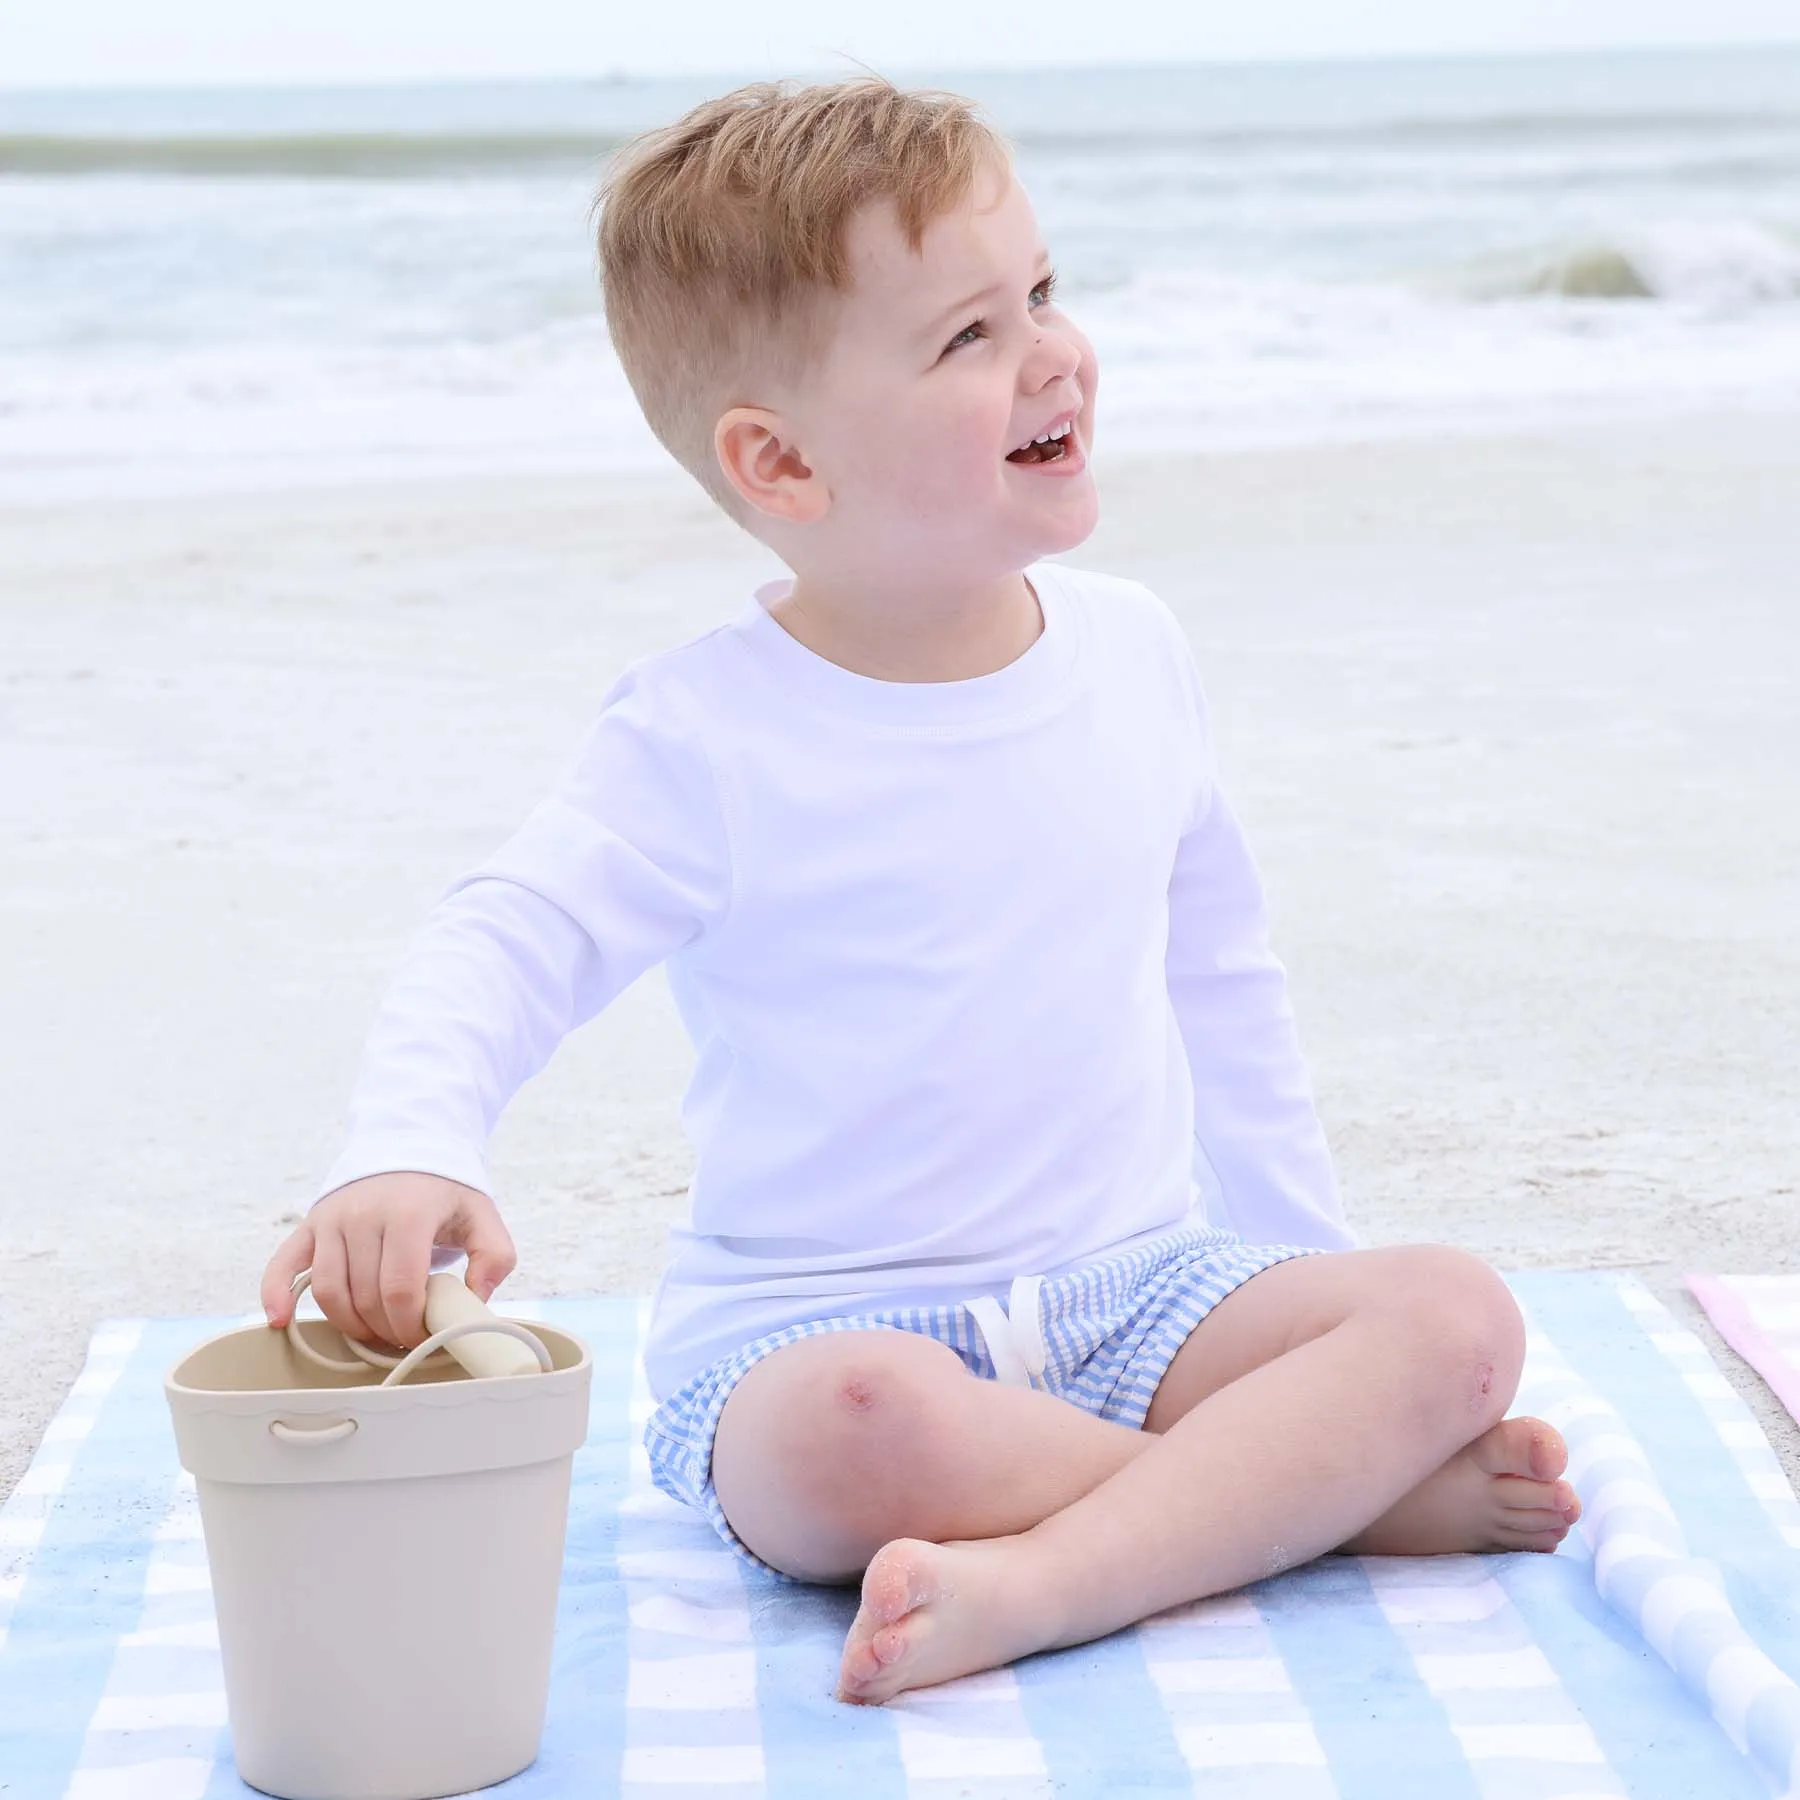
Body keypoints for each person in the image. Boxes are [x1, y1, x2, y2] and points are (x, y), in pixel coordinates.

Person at [261, 75, 1581, 1706]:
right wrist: (407, 1142)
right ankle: (1268, 1510)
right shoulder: (706, 732)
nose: (1051, 352)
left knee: (1452, 1321)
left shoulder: (1135, 654)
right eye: (967, 337)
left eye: (1041, 290)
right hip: (831, 1332)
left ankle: (1092, 1545)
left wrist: (1306, 1298)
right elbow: (510, 933)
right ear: (783, 463)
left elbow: (1222, 981)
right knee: (847, 1443)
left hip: (1146, 1292)